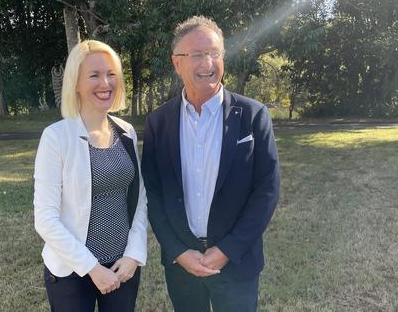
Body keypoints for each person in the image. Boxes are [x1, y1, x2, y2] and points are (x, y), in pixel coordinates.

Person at [141, 16, 280, 312]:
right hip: (182, 265)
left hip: (237, 262)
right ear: (177, 63)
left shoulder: (254, 116)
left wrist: (228, 249)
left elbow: (267, 190)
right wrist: (178, 251)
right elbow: (152, 193)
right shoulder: (159, 122)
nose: (208, 62)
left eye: (214, 53)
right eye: (196, 55)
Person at [33, 40, 148, 312]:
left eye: (111, 74)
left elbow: (139, 199)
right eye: (94, 75)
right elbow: (45, 219)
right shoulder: (56, 137)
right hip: (71, 271)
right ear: (75, 83)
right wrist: (93, 268)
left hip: (122, 268)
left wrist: (134, 254)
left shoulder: (127, 132)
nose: (105, 83)